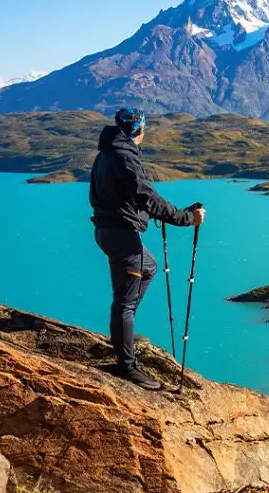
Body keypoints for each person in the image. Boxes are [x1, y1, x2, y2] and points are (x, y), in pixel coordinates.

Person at [90, 108, 205, 389]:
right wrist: (185, 218)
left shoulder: (108, 152)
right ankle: (127, 367)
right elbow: (146, 197)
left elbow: (129, 197)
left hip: (110, 231)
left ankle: (123, 335)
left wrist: (161, 213)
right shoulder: (125, 157)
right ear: (140, 129)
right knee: (125, 302)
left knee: (149, 267)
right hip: (122, 237)